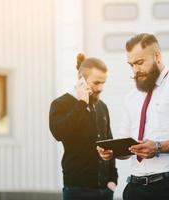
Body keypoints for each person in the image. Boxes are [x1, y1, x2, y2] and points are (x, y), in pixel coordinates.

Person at [97, 33, 169, 200]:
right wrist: (113, 151)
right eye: (131, 65)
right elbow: (126, 148)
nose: (135, 70)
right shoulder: (131, 97)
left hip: (168, 188)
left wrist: (158, 147)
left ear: (157, 56)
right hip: (134, 189)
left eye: (139, 63)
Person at [49, 53, 118, 200]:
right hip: (77, 191)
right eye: (96, 83)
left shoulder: (102, 107)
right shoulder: (60, 104)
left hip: (105, 191)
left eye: (103, 82)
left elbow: (109, 143)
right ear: (81, 78)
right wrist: (81, 103)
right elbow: (59, 133)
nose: (101, 88)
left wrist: (113, 180)